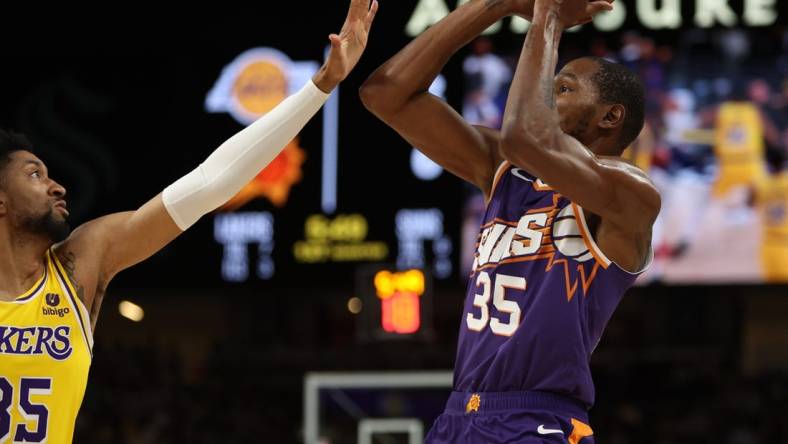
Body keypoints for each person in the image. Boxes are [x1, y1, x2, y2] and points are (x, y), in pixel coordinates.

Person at [0, 1, 377, 442]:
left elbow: (210, 183)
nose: (57, 186)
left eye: (48, 172)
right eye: (34, 174)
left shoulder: (80, 262)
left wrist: (322, 84)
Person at [360, 0, 659, 441]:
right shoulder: (504, 170)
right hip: (458, 416)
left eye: (563, 89)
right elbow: (385, 94)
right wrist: (493, 5)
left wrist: (548, 15)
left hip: (538, 421)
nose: (543, 94)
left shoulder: (632, 194)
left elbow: (524, 136)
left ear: (609, 117)